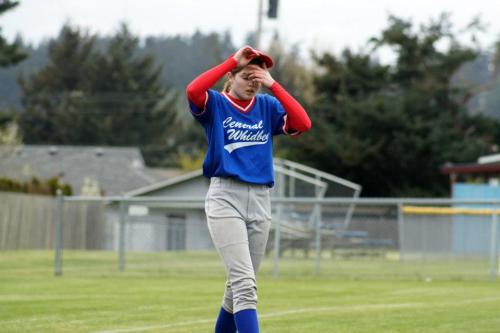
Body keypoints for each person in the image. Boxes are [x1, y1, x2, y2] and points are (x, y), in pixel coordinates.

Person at [186, 45, 311, 333]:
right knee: (244, 285)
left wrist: (274, 85)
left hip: (260, 200)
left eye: (258, 77)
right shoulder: (216, 103)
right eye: (246, 76)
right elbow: (193, 91)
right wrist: (232, 60)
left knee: (239, 286)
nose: (253, 82)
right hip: (225, 197)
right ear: (231, 76)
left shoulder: (266, 106)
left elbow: (303, 123)